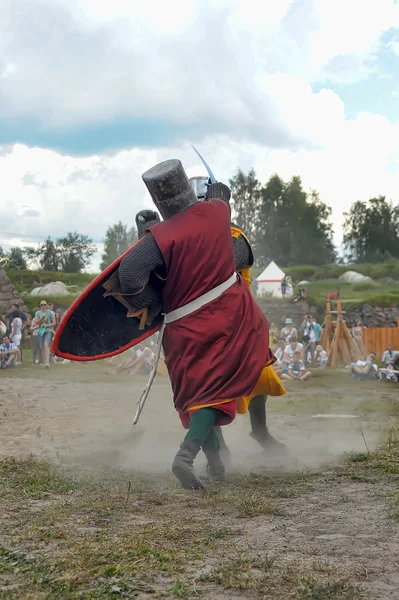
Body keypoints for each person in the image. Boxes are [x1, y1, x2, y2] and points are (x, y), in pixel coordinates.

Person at [114, 159, 284, 490]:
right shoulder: (218, 215)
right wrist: (218, 193)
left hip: (180, 330)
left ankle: (219, 463)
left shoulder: (161, 237)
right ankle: (188, 456)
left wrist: (153, 302)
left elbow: (132, 274)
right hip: (226, 323)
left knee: (197, 396)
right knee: (213, 396)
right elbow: (221, 200)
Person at [189, 175, 286, 462]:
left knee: (258, 376)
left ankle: (261, 431)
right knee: (206, 386)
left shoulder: (233, 236)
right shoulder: (188, 241)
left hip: (238, 322)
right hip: (202, 323)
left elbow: (221, 264)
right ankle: (219, 450)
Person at [32, 300, 56, 368]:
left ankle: (47, 362)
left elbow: (54, 323)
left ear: (46, 305)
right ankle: (45, 362)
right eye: (42, 305)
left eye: (44, 305)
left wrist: (47, 325)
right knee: (42, 347)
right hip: (41, 331)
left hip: (47, 330)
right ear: (40, 306)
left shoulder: (50, 312)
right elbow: (36, 322)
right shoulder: (38, 313)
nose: (43, 306)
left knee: (46, 345)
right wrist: (41, 319)